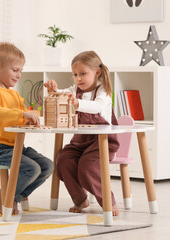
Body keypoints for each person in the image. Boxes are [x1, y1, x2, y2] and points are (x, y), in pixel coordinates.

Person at [43, 50, 120, 216]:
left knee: (87, 167)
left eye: (83, 74)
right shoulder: (74, 90)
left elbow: (97, 107)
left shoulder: (103, 91)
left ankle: (108, 201)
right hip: (80, 141)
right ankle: (80, 199)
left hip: (102, 143)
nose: (78, 79)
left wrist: (77, 103)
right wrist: (53, 90)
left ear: (97, 72)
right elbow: (63, 94)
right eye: (75, 74)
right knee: (63, 160)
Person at [0, 42, 54, 215]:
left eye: (21, 71)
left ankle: (10, 196)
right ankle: (8, 196)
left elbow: (20, 118)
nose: (19, 75)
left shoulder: (14, 94)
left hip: (17, 148)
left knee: (47, 166)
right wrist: (23, 115)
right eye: (15, 70)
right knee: (32, 168)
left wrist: (29, 121)